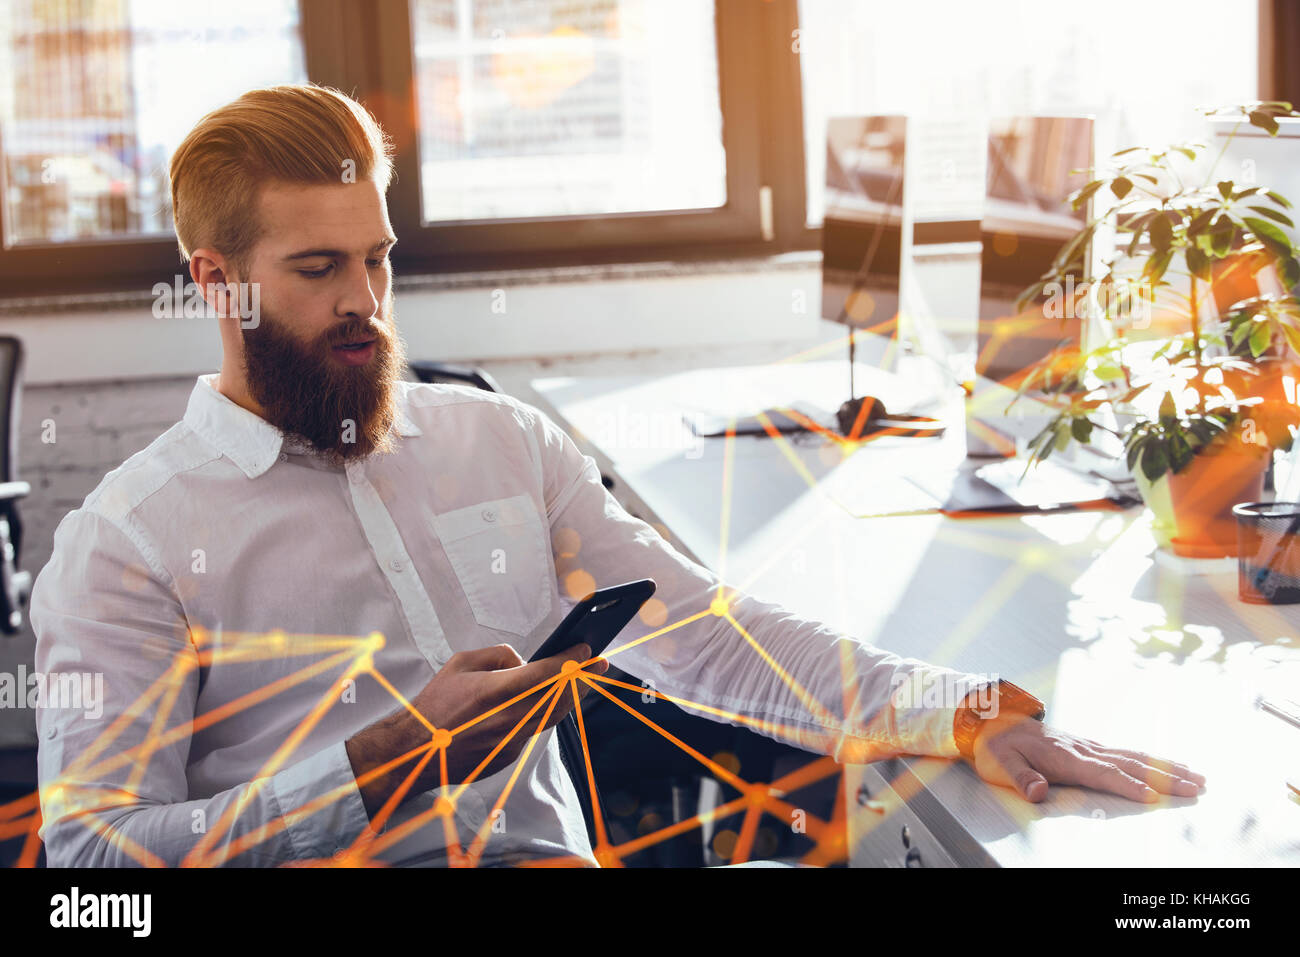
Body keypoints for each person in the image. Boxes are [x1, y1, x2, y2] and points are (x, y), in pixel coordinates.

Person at [30, 84, 1204, 868]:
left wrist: (959, 709)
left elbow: (705, 634)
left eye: (380, 259)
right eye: (318, 267)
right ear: (219, 280)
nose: (364, 303)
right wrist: (375, 762)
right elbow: (90, 865)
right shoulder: (127, 540)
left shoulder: (495, 444)